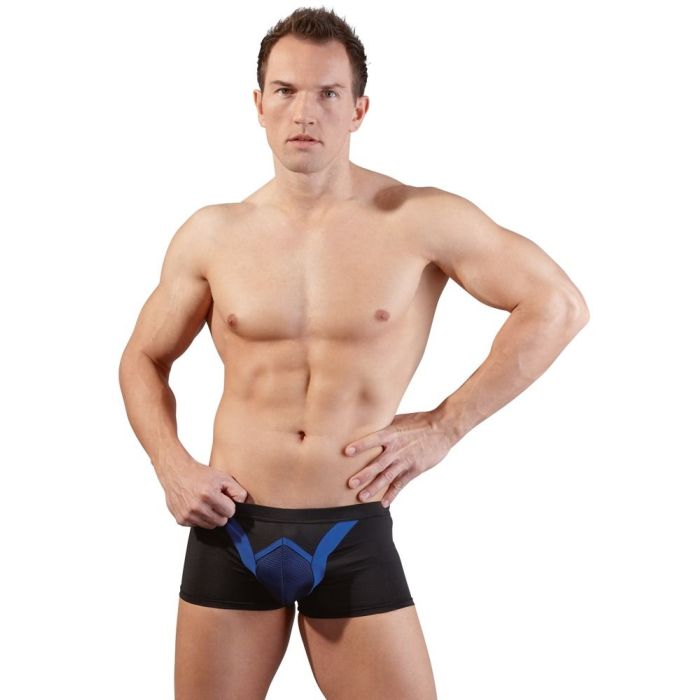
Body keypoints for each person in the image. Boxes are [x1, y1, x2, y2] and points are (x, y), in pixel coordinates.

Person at [118, 6, 589, 699]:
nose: (304, 111)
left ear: (359, 109)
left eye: (328, 93)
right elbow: (142, 359)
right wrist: (172, 467)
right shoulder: (212, 235)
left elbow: (557, 306)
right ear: (258, 104)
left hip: (351, 525)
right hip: (231, 527)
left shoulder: (419, 219)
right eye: (285, 91)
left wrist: (445, 425)